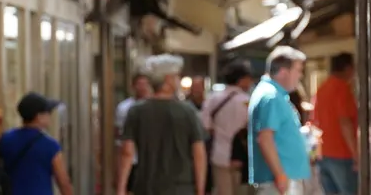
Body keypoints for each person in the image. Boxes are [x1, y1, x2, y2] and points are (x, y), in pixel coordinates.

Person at [117, 54, 207, 195]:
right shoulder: (188, 111)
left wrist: (121, 189)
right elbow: (199, 153)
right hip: (181, 188)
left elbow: (127, 153)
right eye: (176, 76)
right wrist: (200, 190)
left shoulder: (136, 111)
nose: (178, 80)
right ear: (168, 79)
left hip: (146, 186)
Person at [248, 46, 310, 195]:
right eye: (298, 70)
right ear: (283, 72)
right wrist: (280, 175)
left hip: (282, 179)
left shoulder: (274, 94)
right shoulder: (271, 96)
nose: (300, 76)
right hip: (278, 182)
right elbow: (265, 138)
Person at [0, 92, 73, 195]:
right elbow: (63, 182)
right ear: (38, 117)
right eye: (48, 112)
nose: (50, 116)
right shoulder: (50, 145)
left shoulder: (5, 139)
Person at [201, 60, 254, 195]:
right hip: (240, 156)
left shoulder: (212, 99)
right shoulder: (246, 101)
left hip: (219, 154)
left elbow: (205, 125)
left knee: (222, 190)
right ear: (241, 79)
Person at [313, 53, 358, 195]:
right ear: (348, 68)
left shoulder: (322, 89)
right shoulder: (342, 88)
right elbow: (345, 122)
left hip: (324, 153)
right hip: (342, 154)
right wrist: (356, 154)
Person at [115, 72, 152, 192]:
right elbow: (119, 134)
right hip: (132, 159)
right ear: (133, 86)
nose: (142, 87)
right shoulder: (124, 107)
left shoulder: (154, 107)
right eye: (139, 84)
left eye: (145, 84)